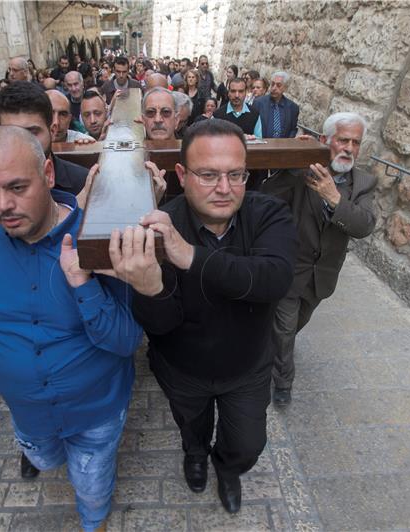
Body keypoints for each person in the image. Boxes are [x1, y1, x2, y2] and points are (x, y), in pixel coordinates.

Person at [0, 126, 153, 531]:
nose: (4, 205)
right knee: (46, 459)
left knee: (92, 486)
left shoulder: (97, 237)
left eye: (17, 187)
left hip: (97, 413)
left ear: (49, 174)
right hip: (29, 414)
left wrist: (84, 285)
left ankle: (95, 522)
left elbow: (127, 341)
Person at [131, 119, 298, 513]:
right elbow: (160, 325)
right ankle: (195, 454)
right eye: (208, 175)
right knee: (192, 426)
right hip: (184, 368)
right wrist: (149, 286)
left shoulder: (269, 213)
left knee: (248, 444)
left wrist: (189, 255)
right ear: (182, 175)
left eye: (235, 175)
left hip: (247, 367)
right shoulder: (162, 226)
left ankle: (227, 468)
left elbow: (273, 279)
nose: (224, 189)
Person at [262, 112, 376, 407]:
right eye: (343, 140)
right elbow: (265, 195)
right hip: (290, 270)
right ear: (326, 141)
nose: (349, 148)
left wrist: (334, 197)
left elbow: (364, 225)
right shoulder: (304, 171)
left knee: (294, 326)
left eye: (355, 142)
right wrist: (292, 161)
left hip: (322, 277)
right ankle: (283, 383)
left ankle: (268, 347)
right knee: (285, 331)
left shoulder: (364, 182)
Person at [0, 81, 88, 211]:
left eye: (31, 132)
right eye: (12, 133)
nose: (22, 144)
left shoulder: (81, 181)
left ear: (52, 131)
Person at [251, 71, 300, 139]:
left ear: (285, 88)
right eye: (272, 84)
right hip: (262, 146)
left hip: (283, 147)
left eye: (278, 85)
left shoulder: (293, 108)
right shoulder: (258, 103)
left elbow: (293, 130)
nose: (274, 88)